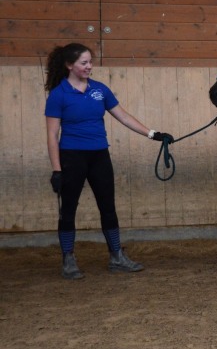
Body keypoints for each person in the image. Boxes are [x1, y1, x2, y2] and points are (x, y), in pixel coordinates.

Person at [44, 43, 173, 280]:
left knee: (108, 207)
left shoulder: (100, 90)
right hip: (72, 157)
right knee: (68, 210)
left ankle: (116, 257)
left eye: (90, 62)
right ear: (69, 65)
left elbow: (123, 116)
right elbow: (52, 135)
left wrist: (153, 134)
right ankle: (68, 259)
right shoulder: (58, 95)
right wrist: (57, 170)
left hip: (99, 156)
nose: (89, 66)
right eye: (84, 63)